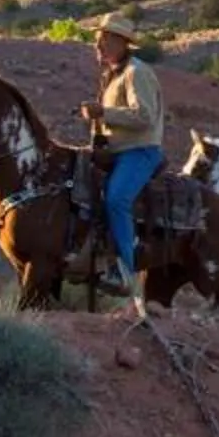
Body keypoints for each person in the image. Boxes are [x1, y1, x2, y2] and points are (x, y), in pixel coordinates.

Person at [76, 22, 166, 298]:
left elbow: (145, 116)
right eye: (97, 40)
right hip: (115, 151)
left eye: (103, 40)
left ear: (121, 42)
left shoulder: (137, 73)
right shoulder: (113, 75)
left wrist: (104, 112)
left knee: (116, 199)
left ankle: (126, 271)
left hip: (140, 151)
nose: (98, 46)